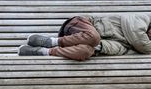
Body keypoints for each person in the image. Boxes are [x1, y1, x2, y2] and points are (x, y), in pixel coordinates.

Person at [18, 15, 151, 61]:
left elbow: (117, 49)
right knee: (94, 37)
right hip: (81, 25)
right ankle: (52, 42)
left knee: (86, 52)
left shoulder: (132, 46)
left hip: (89, 42)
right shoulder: (142, 20)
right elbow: (139, 40)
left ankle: (43, 51)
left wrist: (100, 48)